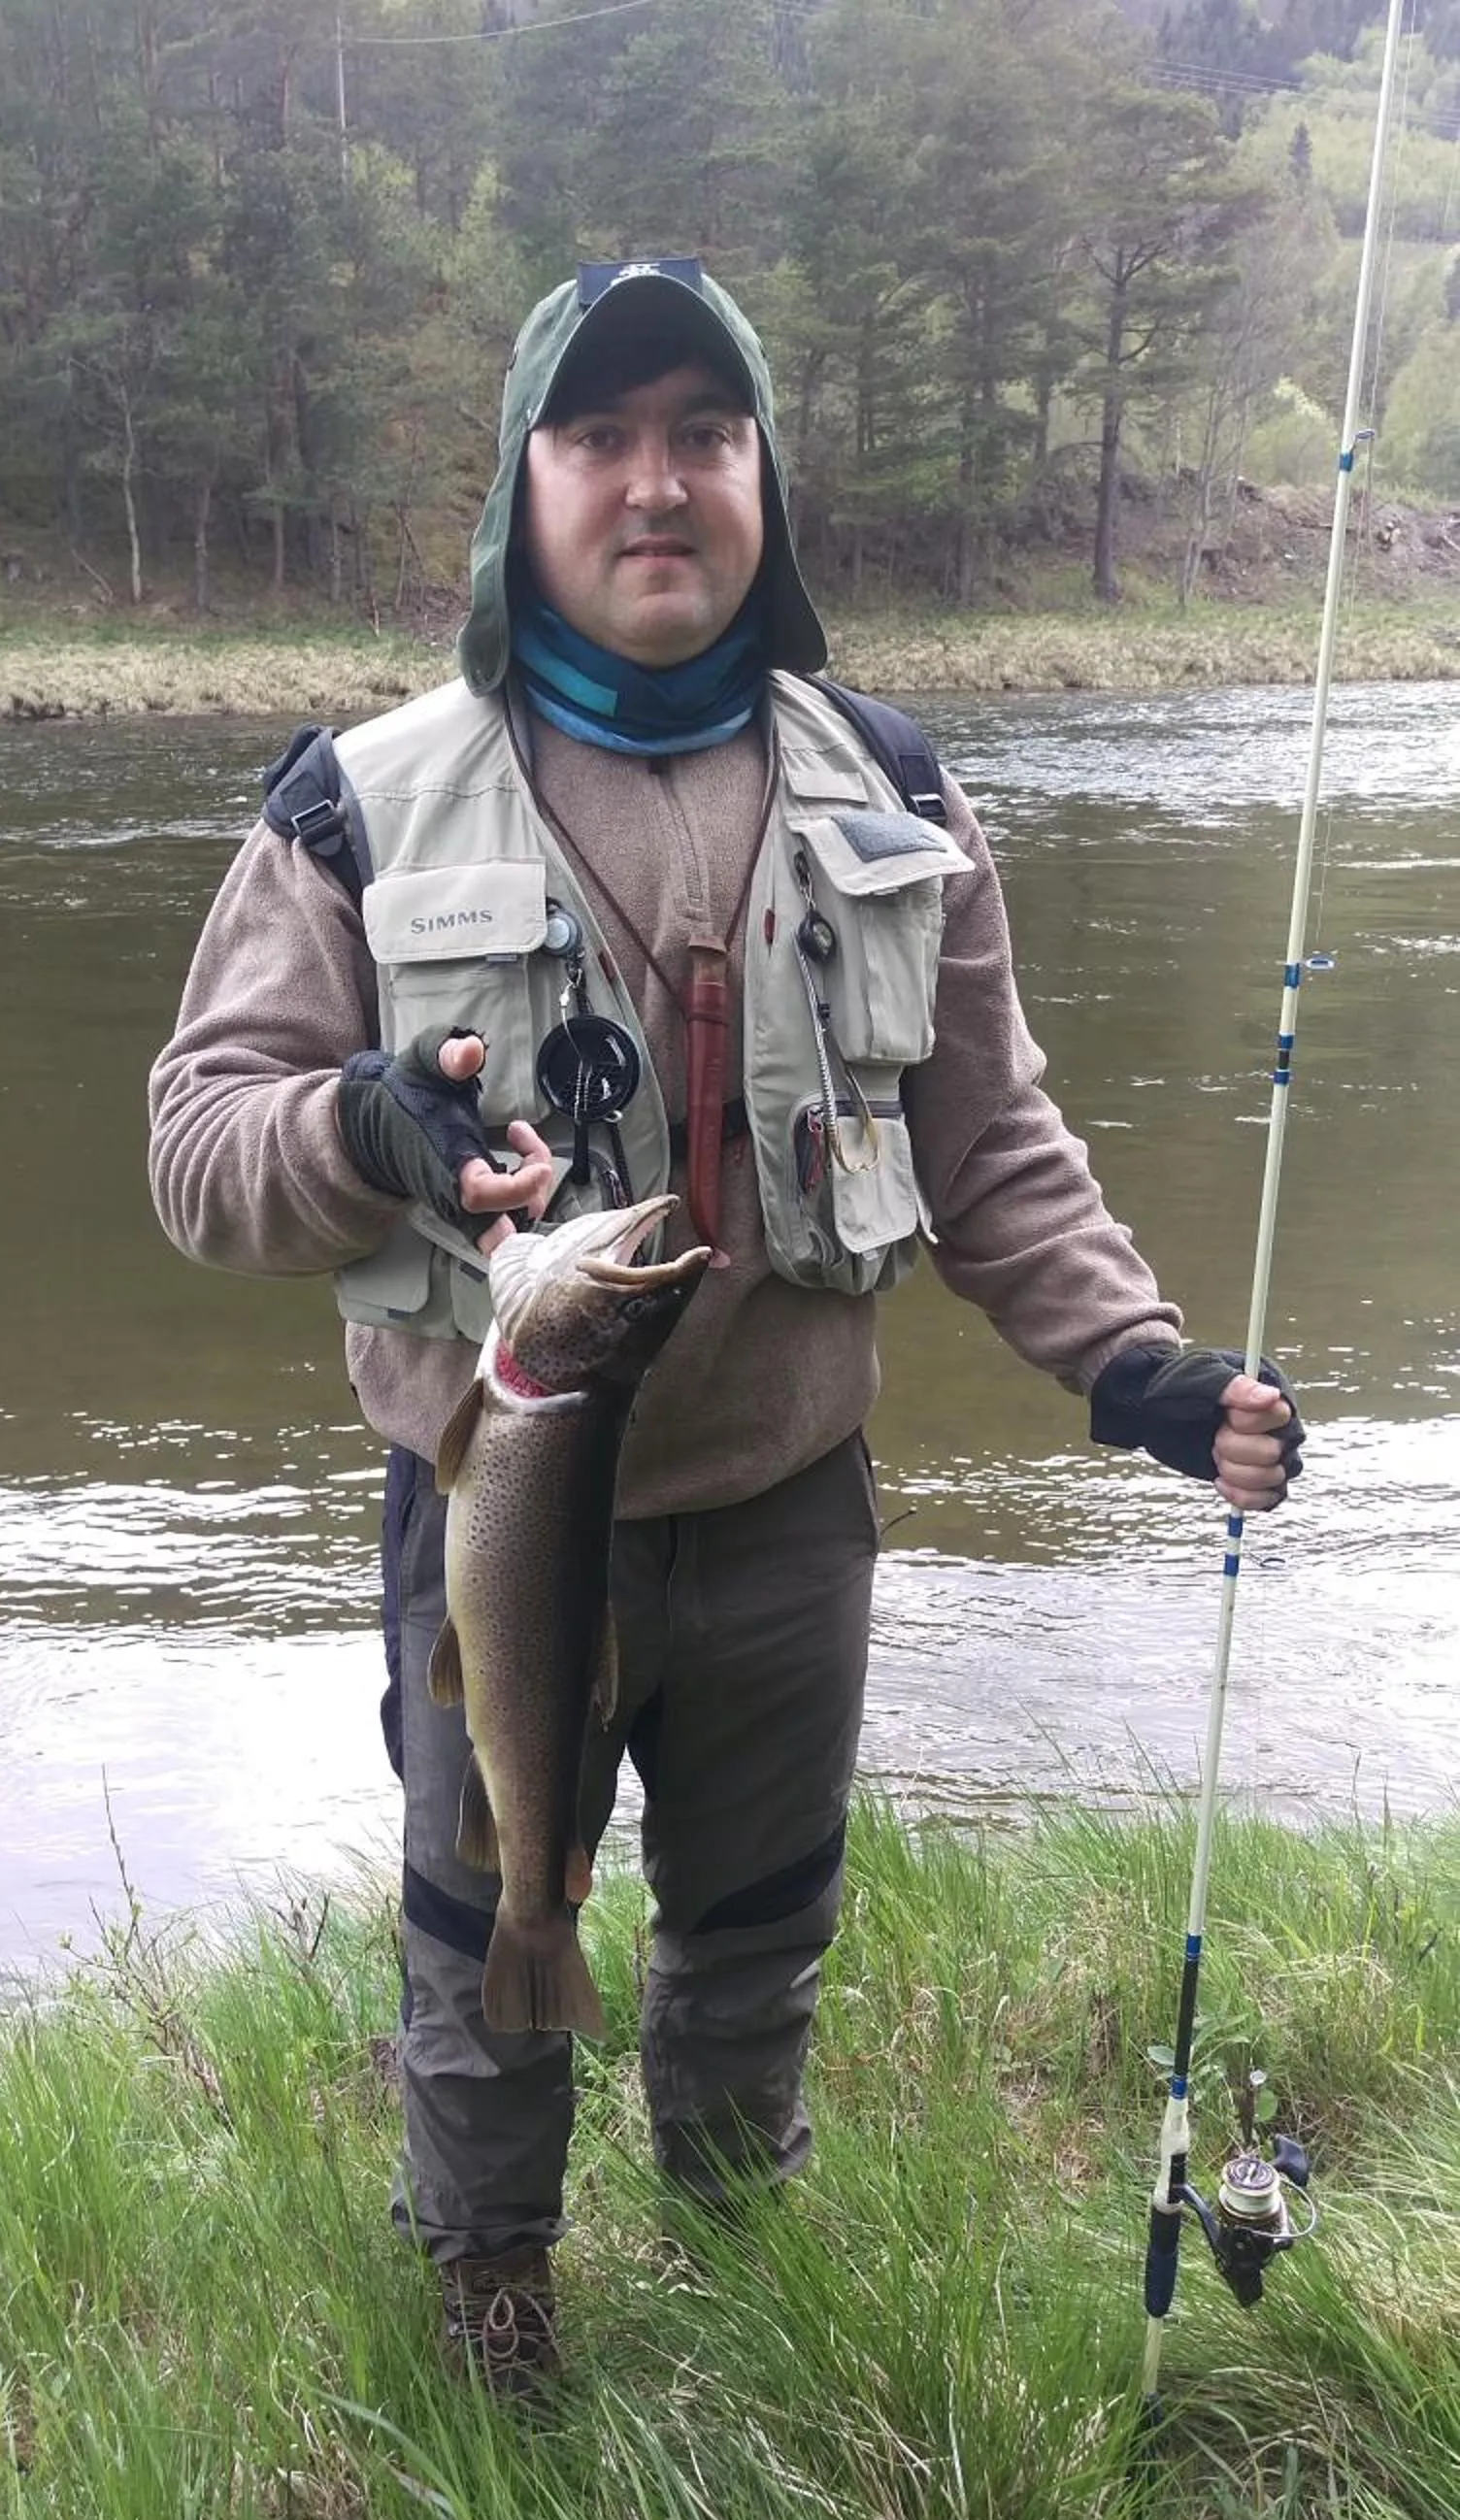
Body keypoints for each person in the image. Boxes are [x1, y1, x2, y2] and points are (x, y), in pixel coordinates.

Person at [148, 259, 1302, 2397]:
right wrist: (363, 1126)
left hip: (786, 1510)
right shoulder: (352, 803)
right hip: (496, 1513)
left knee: (762, 1923)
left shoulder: (897, 790)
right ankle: (492, 2289)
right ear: (524, 491)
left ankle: (738, 2249)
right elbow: (199, 1146)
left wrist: (1137, 1365)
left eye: (703, 432)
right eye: (599, 437)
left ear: (765, 479)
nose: (654, 483)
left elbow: (993, 1143)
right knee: (480, 1920)